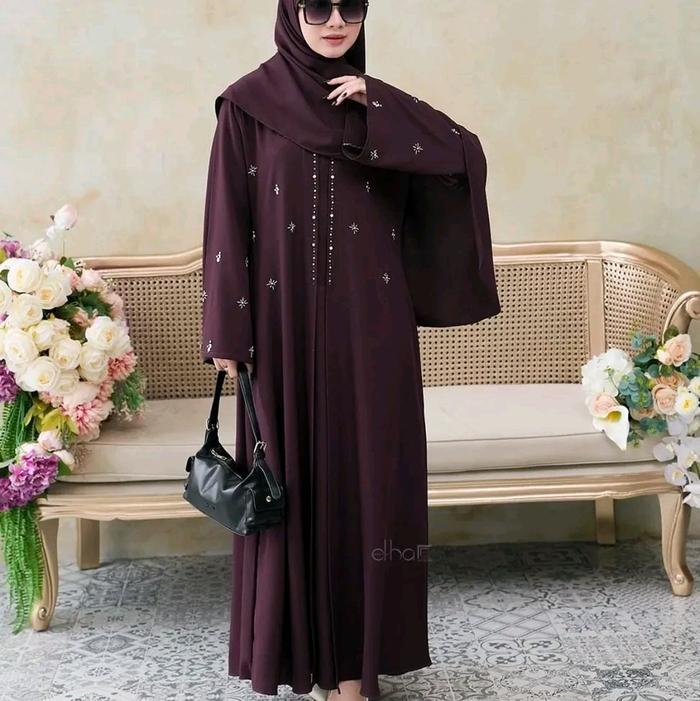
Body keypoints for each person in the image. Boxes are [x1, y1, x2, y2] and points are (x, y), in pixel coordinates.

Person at [200, 1, 501, 699]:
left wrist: (383, 103)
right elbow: (225, 220)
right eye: (317, 5)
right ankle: (304, 660)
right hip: (280, 332)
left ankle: (353, 671)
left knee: (370, 487)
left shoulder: (375, 110)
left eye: (352, 6)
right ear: (290, 11)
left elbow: (464, 156)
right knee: (291, 487)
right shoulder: (247, 106)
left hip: (373, 330)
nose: (335, 20)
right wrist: (226, 333)